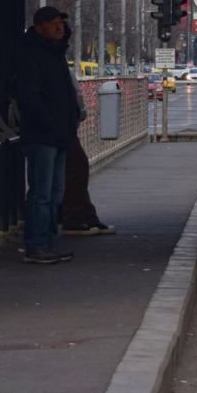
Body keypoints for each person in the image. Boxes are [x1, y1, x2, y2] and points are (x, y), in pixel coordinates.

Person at [13, 6, 80, 264]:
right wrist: (53, 124)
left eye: (60, 22)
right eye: (52, 23)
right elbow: (29, 97)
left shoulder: (55, 53)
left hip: (59, 134)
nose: (59, 26)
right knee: (41, 194)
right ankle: (37, 244)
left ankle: (47, 243)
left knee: (54, 193)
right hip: (43, 135)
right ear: (39, 28)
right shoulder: (33, 55)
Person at [58, 21, 115, 235]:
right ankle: (73, 220)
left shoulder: (58, 58)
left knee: (74, 170)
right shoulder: (49, 58)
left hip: (64, 125)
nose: (66, 40)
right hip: (56, 126)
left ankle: (85, 216)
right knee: (75, 168)